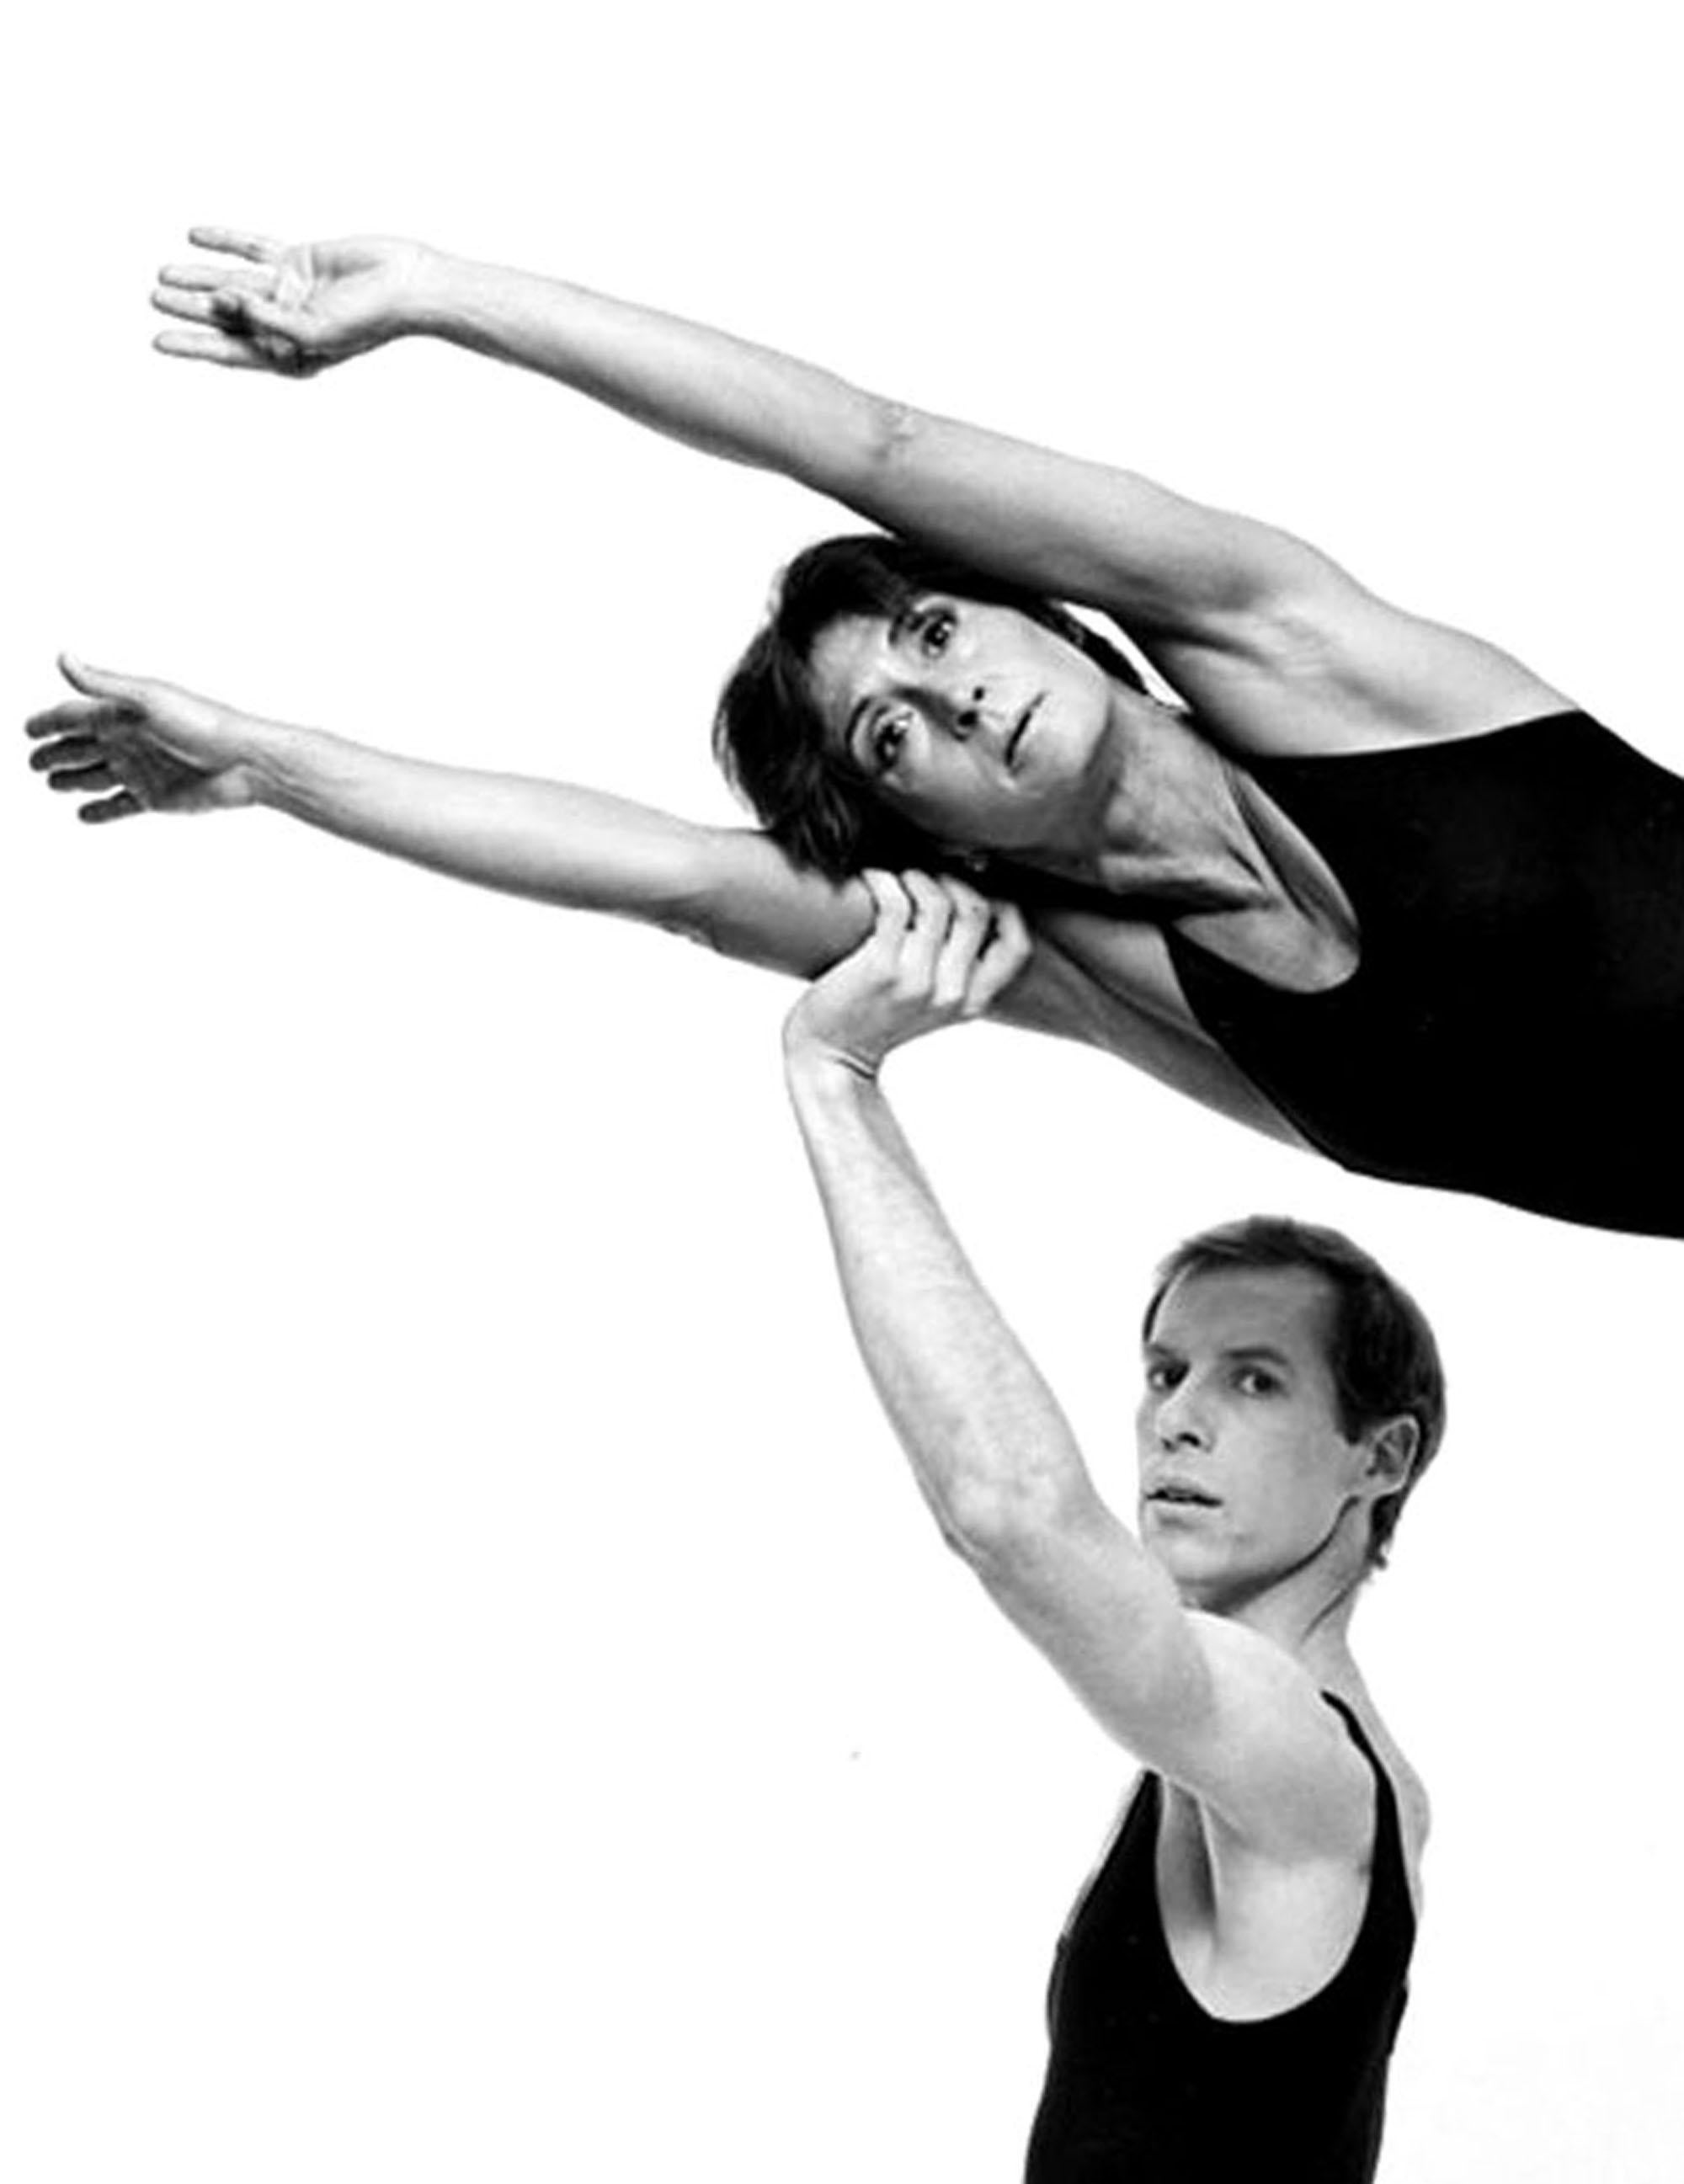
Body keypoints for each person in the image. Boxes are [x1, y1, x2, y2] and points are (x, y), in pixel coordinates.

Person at [27, 225, 1684, 1233]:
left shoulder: (1301, 653)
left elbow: (869, 444)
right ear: (940, 837)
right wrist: (268, 768)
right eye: (893, 741)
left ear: (1044, 610)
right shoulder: (1078, 969)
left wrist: (452, 297)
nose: (948, 687)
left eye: (936, 627)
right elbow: (671, 874)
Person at [781, 871, 1440, 2181]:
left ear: (1381, 1455)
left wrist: (836, 1070)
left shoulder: (1304, 1761)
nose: (1175, 1421)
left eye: (1255, 1378)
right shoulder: (1233, 1748)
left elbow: (1013, 1515)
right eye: (1164, 1372)